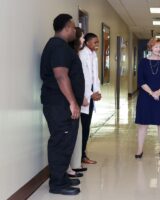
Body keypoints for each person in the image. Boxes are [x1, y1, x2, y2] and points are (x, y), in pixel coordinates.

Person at [40, 14, 84, 195]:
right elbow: (60, 75)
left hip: (61, 104)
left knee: (66, 142)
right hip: (60, 105)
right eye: (74, 28)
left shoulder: (61, 47)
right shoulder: (59, 47)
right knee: (60, 142)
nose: (75, 30)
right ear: (66, 27)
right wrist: (73, 102)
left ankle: (62, 177)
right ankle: (57, 184)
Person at [66, 27, 88, 178]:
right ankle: (67, 169)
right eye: (81, 38)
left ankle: (74, 165)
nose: (83, 41)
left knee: (76, 134)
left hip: (76, 102)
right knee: (67, 137)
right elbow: (65, 79)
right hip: (70, 103)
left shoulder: (75, 54)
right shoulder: (69, 55)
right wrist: (74, 101)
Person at [79, 33, 101, 164]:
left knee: (86, 127)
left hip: (91, 94)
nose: (97, 45)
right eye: (95, 42)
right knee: (83, 127)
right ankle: (81, 155)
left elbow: (95, 77)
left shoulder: (93, 55)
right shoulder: (82, 55)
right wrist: (90, 93)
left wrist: (97, 92)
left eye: (98, 42)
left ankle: (82, 154)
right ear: (87, 42)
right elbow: (83, 78)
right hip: (84, 96)